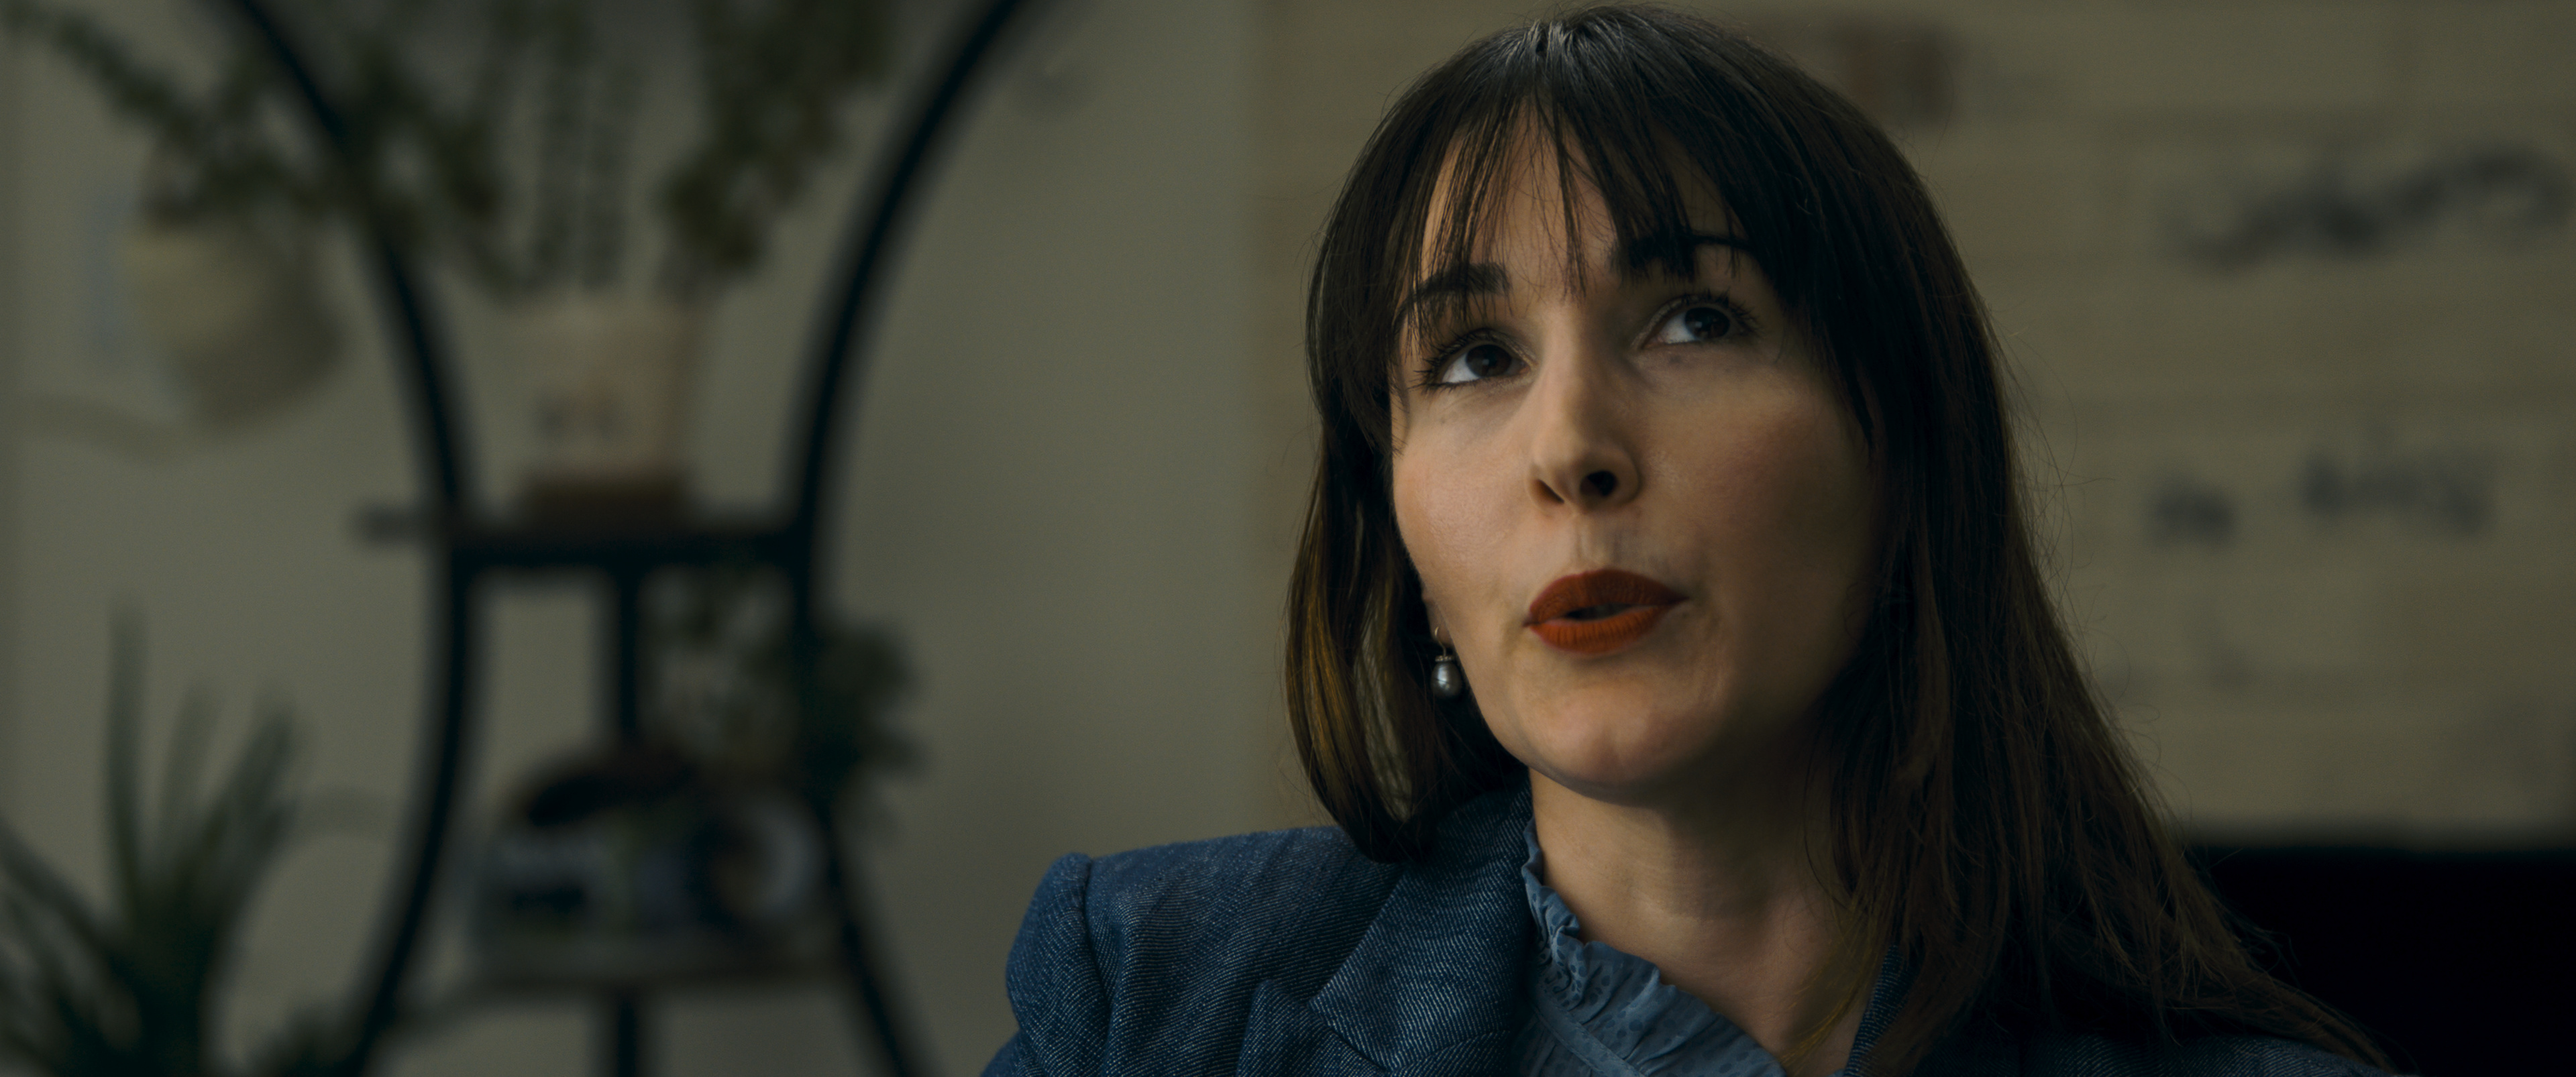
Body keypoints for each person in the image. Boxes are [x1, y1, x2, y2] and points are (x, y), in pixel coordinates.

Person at [985, 7, 2397, 1076]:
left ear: (1901, 460)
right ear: (1402, 544)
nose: (1570, 446)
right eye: (1475, 356)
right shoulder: (1153, 996)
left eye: (1694, 321)